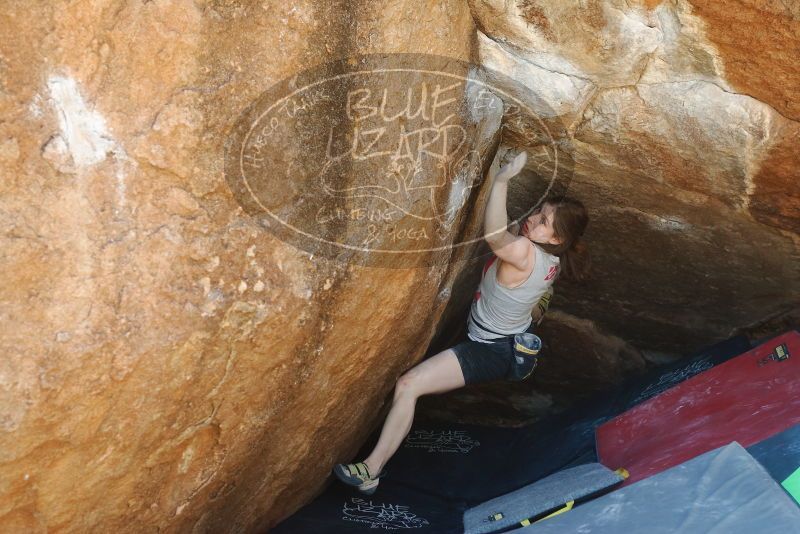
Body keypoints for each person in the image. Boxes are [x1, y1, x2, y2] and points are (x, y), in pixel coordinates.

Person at [333, 151, 590, 494]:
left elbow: (497, 237)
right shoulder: (549, 261)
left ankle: (371, 470)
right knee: (533, 306)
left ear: (556, 240)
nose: (535, 220)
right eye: (540, 212)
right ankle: (527, 341)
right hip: (504, 341)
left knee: (410, 386)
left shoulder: (524, 253)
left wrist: (501, 180)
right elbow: (514, 232)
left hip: (490, 349)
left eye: (544, 223)